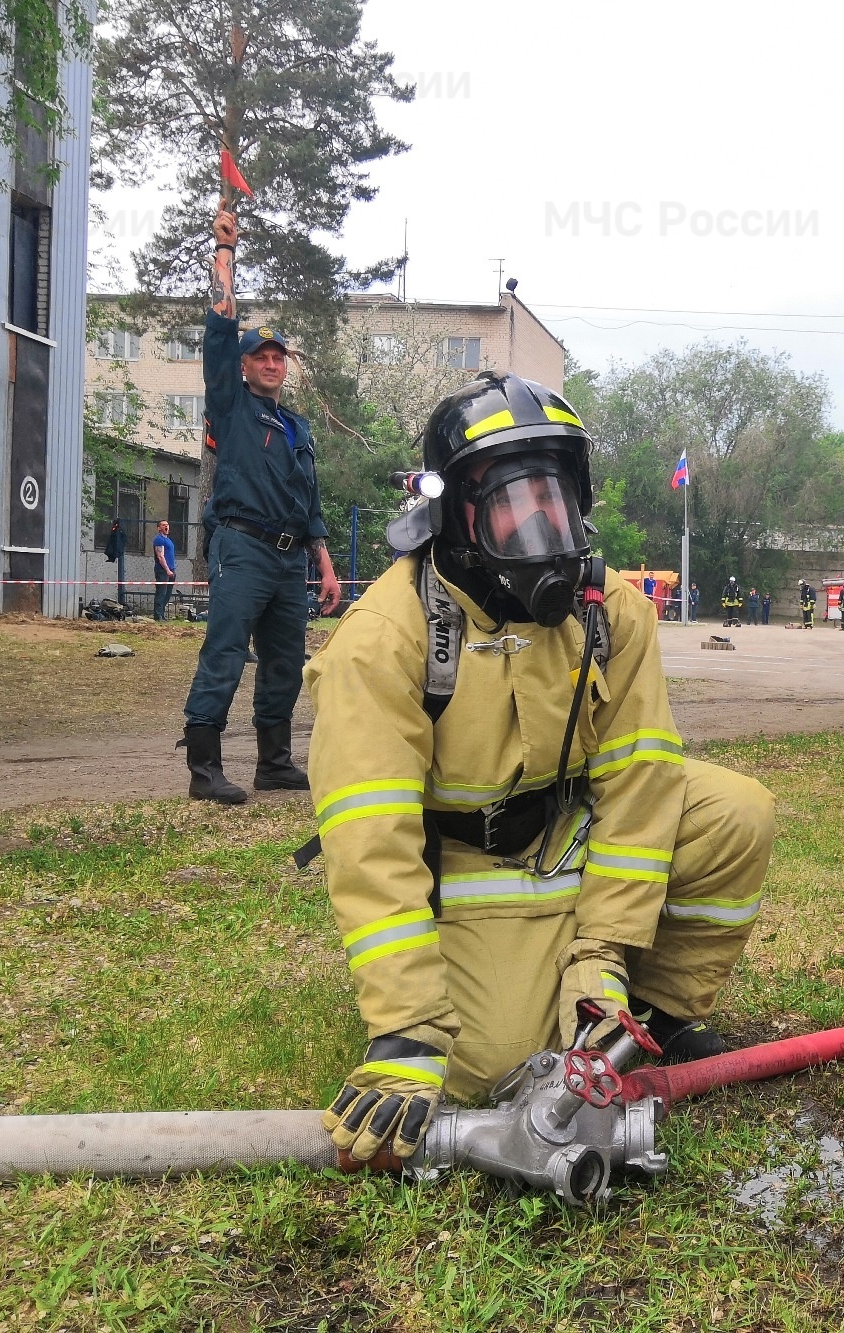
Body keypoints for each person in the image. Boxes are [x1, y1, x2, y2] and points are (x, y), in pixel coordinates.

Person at [305, 371, 775, 1166]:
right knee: (490, 1068)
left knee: (734, 811)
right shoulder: (383, 638)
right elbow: (371, 846)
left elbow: (639, 785)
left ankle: (645, 1021)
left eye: (553, 500)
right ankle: (479, 1009)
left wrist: (601, 957)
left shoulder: (610, 611)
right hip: (464, 864)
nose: (541, 530)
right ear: (453, 518)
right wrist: (409, 1028)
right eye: (512, 507)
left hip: (568, 836)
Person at [182, 205, 343, 804]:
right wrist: (225, 253)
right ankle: (204, 768)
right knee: (225, 650)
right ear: (245, 367)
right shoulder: (230, 404)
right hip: (241, 546)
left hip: (287, 558)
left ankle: (274, 762)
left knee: (285, 660)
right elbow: (220, 332)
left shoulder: (296, 426)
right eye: (261, 357)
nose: (272, 364)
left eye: (278, 358)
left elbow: (310, 500)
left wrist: (322, 563)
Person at [152, 520, 177, 621]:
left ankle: (162, 614)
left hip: (171, 569)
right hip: (162, 571)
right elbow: (160, 556)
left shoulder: (168, 540)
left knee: (167, 593)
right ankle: (158, 615)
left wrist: (172, 570)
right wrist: (167, 570)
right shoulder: (159, 539)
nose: (166, 527)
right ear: (159, 528)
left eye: (167, 525)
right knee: (161, 592)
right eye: (163, 525)